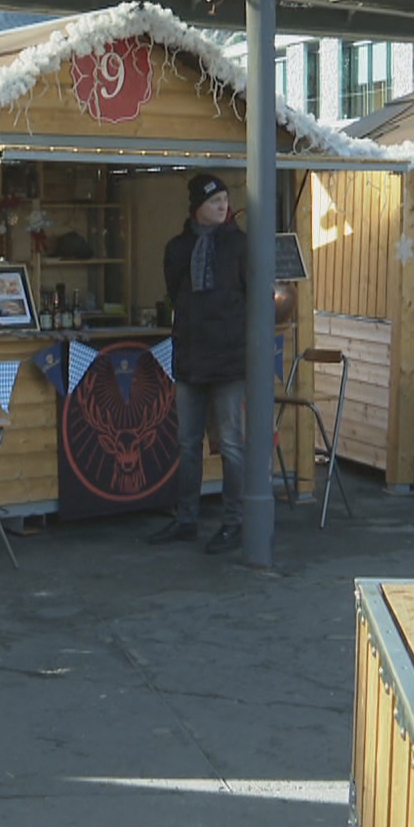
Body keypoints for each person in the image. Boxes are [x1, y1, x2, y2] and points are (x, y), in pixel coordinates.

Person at [146, 173, 249, 555]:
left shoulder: (240, 246)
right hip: (189, 356)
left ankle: (233, 521)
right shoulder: (177, 248)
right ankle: (187, 518)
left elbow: (254, 296)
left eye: (225, 199)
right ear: (196, 208)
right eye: (214, 201)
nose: (222, 206)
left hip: (229, 359)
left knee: (231, 445)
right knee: (187, 444)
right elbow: (176, 293)